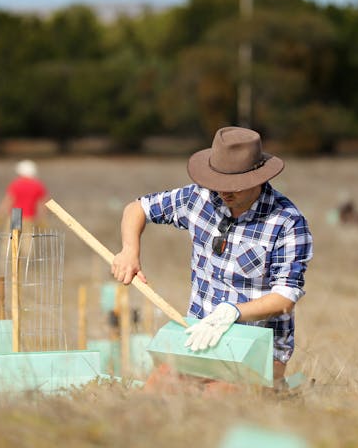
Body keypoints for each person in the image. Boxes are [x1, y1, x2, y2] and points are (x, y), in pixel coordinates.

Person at [111, 126, 313, 383]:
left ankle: (276, 391)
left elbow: (285, 298)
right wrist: (129, 250)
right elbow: (137, 208)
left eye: (234, 186)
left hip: (258, 343)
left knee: (219, 397)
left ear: (258, 179)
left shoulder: (287, 222)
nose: (223, 192)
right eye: (218, 183)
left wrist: (233, 312)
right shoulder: (199, 197)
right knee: (158, 388)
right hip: (200, 333)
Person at [0, 159, 48, 229]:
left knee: (12, 238)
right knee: (27, 238)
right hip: (30, 217)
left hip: (16, 215)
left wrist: (0, 214)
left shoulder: (16, 184)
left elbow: (8, 200)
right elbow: (41, 204)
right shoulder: (38, 185)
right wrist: (41, 218)